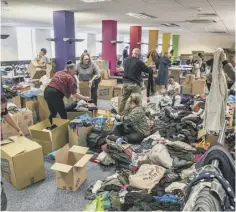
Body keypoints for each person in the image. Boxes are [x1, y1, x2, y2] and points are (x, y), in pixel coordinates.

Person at [119, 48, 151, 114]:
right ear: (139, 55)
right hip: (134, 84)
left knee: (124, 99)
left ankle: (119, 114)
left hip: (125, 83)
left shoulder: (125, 60)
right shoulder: (139, 62)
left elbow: (122, 68)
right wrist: (151, 67)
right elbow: (148, 70)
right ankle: (138, 115)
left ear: (132, 53)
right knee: (137, 100)